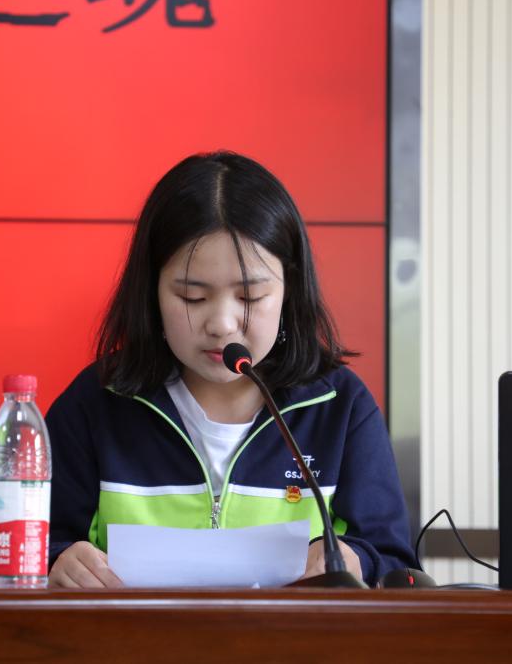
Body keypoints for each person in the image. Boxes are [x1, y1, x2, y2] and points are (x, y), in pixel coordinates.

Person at [46, 151, 415, 588]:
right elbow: (33, 547)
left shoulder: (339, 407)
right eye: (193, 297)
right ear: (151, 292)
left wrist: (355, 561)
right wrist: (57, 564)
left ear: (289, 290)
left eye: (250, 297)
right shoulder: (96, 403)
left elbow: (394, 562)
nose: (221, 324)